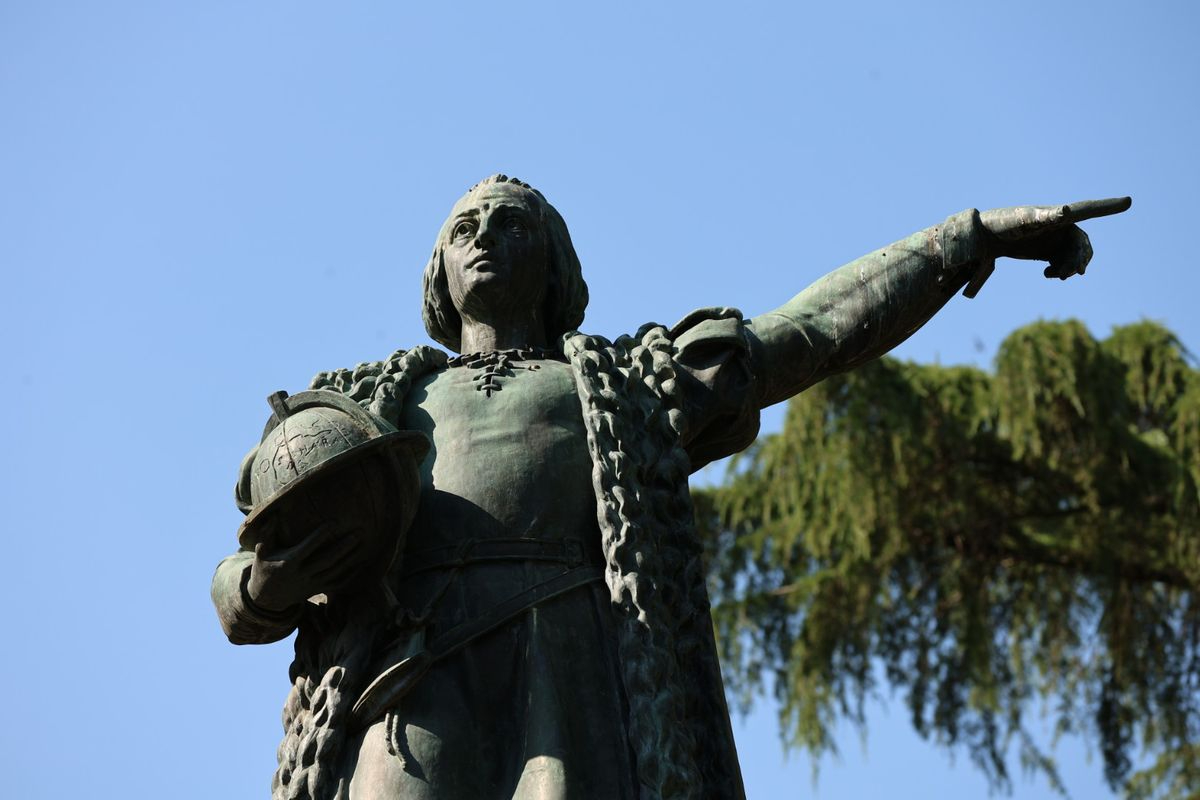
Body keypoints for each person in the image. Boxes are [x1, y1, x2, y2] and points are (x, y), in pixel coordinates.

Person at [212, 175, 1129, 800]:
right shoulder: (365, 408)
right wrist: (258, 585)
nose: (484, 237)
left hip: (568, 660)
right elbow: (242, 576)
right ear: (439, 278)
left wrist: (961, 240)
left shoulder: (625, 384)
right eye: (463, 229)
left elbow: (806, 332)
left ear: (559, 263)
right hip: (410, 674)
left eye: (511, 222)